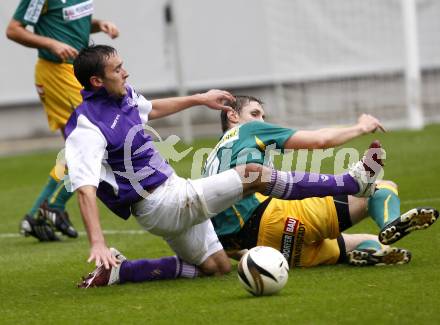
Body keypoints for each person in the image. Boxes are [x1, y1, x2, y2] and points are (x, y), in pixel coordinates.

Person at [67, 45, 383, 288]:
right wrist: (97, 241)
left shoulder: (122, 95)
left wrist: (199, 99)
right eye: (118, 69)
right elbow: (85, 190)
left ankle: (120, 271)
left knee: (216, 267)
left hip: (173, 193)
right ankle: (351, 182)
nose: (126, 73)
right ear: (97, 80)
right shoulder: (87, 127)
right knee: (252, 175)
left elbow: (150, 108)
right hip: (160, 203)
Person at [203, 95, 439, 267]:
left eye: (263, 116)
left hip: (265, 248)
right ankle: (390, 222)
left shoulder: (210, 161)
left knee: (367, 242)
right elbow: (319, 140)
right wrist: (361, 127)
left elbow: (218, 223)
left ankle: (369, 254)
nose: (261, 121)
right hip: (273, 218)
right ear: (232, 115)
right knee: (382, 189)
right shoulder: (249, 131)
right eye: (255, 114)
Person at [6, 0, 119, 242]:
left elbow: (70, 23)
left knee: (79, 147)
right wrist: (52, 44)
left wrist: (99, 25)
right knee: (97, 139)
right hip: (57, 72)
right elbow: (14, 29)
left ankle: (39, 213)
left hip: (76, 72)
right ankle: (52, 206)